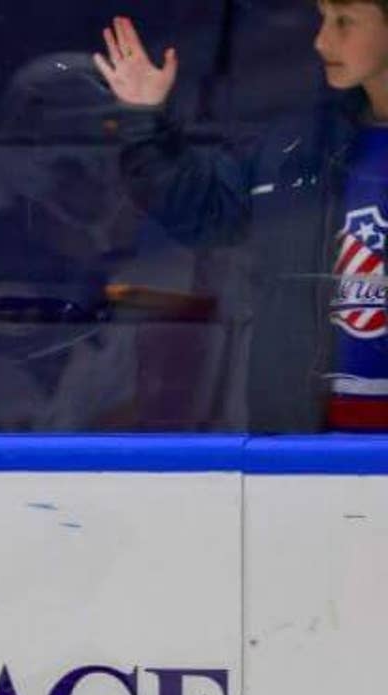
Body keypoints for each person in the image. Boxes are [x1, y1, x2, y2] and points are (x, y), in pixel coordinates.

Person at [94, 6, 388, 431]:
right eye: (322, 17)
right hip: (310, 449)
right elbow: (205, 213)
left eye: (344, 21)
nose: (321, 41)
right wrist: (143, 122)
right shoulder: (299, 146)